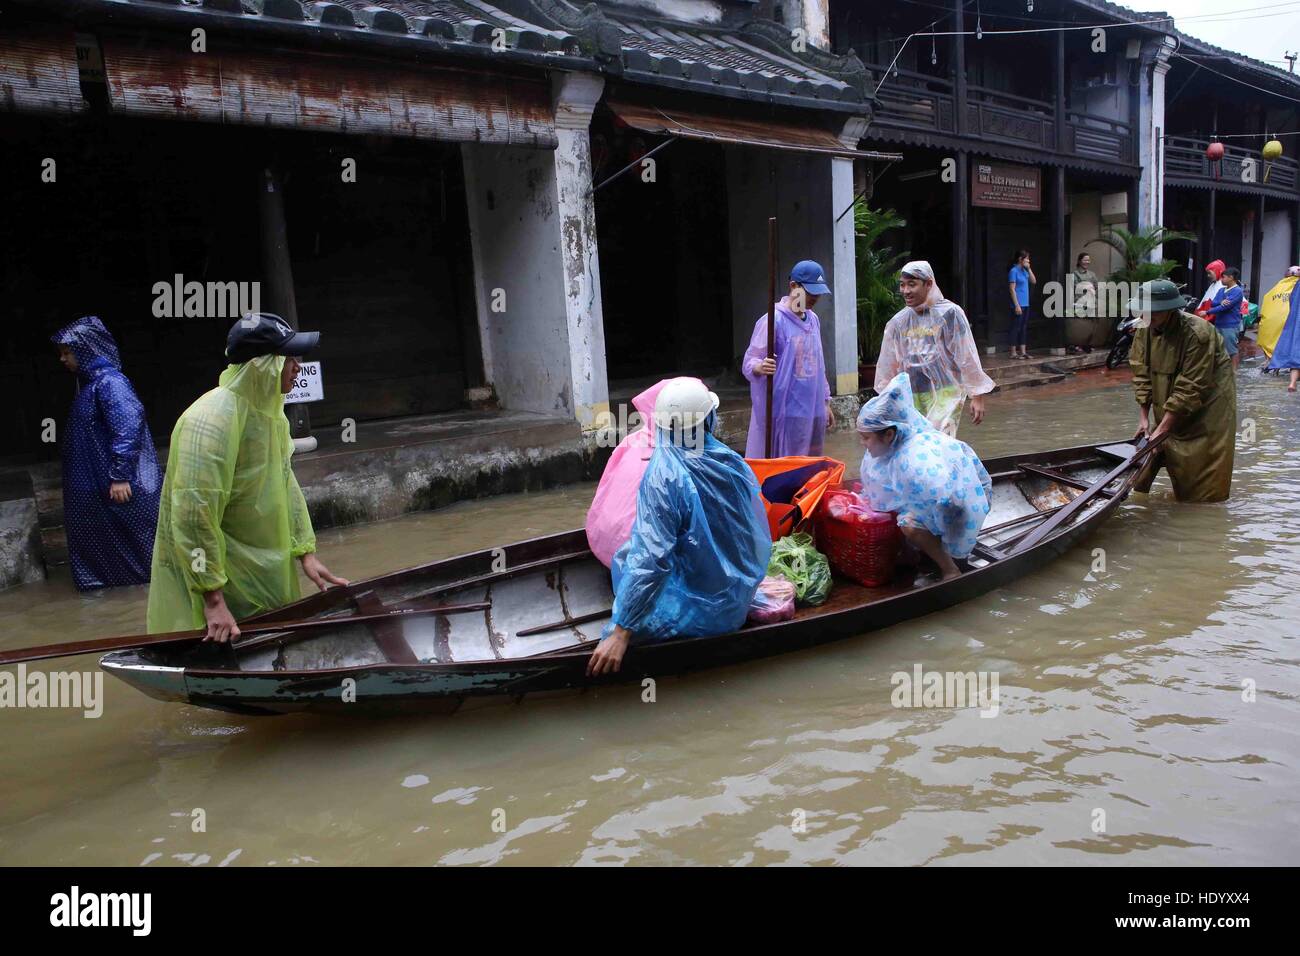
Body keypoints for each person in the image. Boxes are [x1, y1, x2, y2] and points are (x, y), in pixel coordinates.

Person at [146, 314, 348, 641]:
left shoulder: (268, 414)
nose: (297, 366)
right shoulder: (211, 420)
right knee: (230, 644)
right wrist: (212, 598)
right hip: (224, 579)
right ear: (263, 365)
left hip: (265, 565)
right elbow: (194, 513)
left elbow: (283, 483)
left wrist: (305, 551)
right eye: (289, 358)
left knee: (276, 643)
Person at [588, 379, 771, 676]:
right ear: (707, 420)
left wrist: (621, 632)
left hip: (705, 616)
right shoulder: (731, 461)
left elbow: (652, 559)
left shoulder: (663, 476)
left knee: (626, 556)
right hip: (737, 600)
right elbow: (750, 535)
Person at [51, 316, 161, 590]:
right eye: (61, 353)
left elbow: (127, 427)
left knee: (138, 549)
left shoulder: (111, 383)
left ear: (86, 348)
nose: (63, 359)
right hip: (98, 487)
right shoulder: (90, 385)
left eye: (68, 352)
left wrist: (120, 475)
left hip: (119, 485)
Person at [855, 373, 992, 581]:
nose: (862, 443)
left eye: (866, 438)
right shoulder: (887, 448)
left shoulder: (915, 460)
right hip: (939, 498)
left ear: (889, 435)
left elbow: (950, 500)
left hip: (963, 502)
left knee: (908, 524)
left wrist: (941, 532)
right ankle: (925, 549)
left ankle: (950, 568)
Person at [1128, 279, 1236, 502]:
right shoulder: (1144, 327)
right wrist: (1144, 419)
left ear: (1170, 310)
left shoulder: (1198, 334)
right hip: (1168, 395)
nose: (1148, 316)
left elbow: (1191, 386)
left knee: (1200, 482)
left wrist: (1163, 429)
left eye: (1154, 312)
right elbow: (1141, 372)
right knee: (1146, 457)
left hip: (1208, 406)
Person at [874, 260, 995, 437]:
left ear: (929, 283)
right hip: (911, 395)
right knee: (915, 445)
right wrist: (886, 400)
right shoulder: (897, 322)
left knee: (939, 442)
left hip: (946, 393)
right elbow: (887, 364)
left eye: (912, 285)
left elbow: (966, 355)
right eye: (902, 285)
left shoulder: (950, 314)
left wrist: (977, 395)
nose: (905, 291)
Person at [742, 260, 834, 458]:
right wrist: (759, 366)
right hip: (786, 407)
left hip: (811, 405)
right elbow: (751, 359)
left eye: (818, 293)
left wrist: (825, 402)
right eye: (810, 292)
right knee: (786, 459)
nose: (814, 298)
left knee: (809, 460)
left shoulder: (813, 320)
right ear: (794, 286)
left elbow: (819, 363)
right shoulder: (773, 320)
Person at [1264, 268, 1300, 393]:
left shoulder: (1292, 286)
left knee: (1295, 355)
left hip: (1293, 325)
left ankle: (1292, 383)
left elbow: (1291, 301)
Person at [1204, 266, 1245, 369]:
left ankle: (1234, 371)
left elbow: (1225, 307)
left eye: (1224, 277)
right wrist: (1221, 302)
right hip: (1219, 323)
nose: (1221, 280)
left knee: (1231, 349)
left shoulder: (1237, 291)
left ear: (1231, 277)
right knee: (1218, 348)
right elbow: (1214, 303)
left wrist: (1207, 312)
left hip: (1230, 324)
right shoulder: (1222, 290)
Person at [1007, 249, 1036, 360]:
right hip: (1017, 304)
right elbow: (1012, 289)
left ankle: (1023, 351)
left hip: (1026, 303)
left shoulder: (1024, 271)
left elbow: (1033, 281)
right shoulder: (1013, 271)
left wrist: (1029, 269)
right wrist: (1017, 305)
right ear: (1020, 259)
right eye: (1027, 258)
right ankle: (1013, 352)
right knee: (1016, 327)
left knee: (1023, 327)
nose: (1028, 260)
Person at [1068, 252, 1099, 353]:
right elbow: (1075, 288)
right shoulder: (1075, 274)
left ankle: (1087, 344)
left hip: (1091, 302)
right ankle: (1078, 345)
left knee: (1091, 324)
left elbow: (1096, 286)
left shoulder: (1092, 274)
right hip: (1080, 303)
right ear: (1079, 261)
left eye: (1088, 260)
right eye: (1085, 260)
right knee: (1081, 324)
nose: (1087, 262)